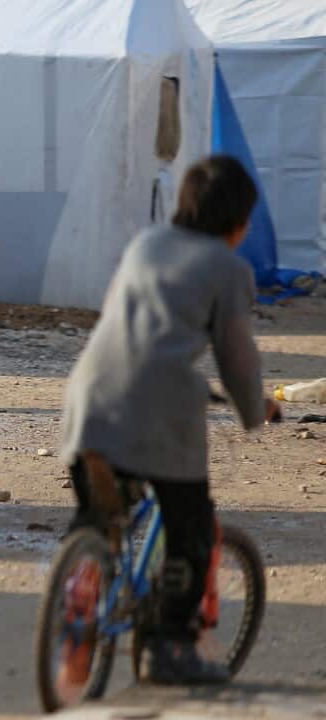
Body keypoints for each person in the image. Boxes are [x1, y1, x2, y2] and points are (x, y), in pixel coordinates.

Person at [58, 155, 280, 690]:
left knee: (97, 517)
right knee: (192, 530)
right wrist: (257, 409)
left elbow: (124, 323)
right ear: (238, 223)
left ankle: (78, 604)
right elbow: (237, 358)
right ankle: (168, 646)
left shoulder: (144, 245)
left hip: (88, 399)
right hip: (158, 412)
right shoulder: (229, 270)